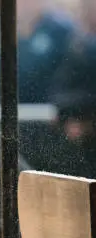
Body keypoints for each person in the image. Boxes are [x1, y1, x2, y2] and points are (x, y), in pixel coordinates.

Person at [48, 0, 96, 178]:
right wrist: (69, 118)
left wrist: (89, 123)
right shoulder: (75, 46)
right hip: (79, 141)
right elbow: (59, 91)